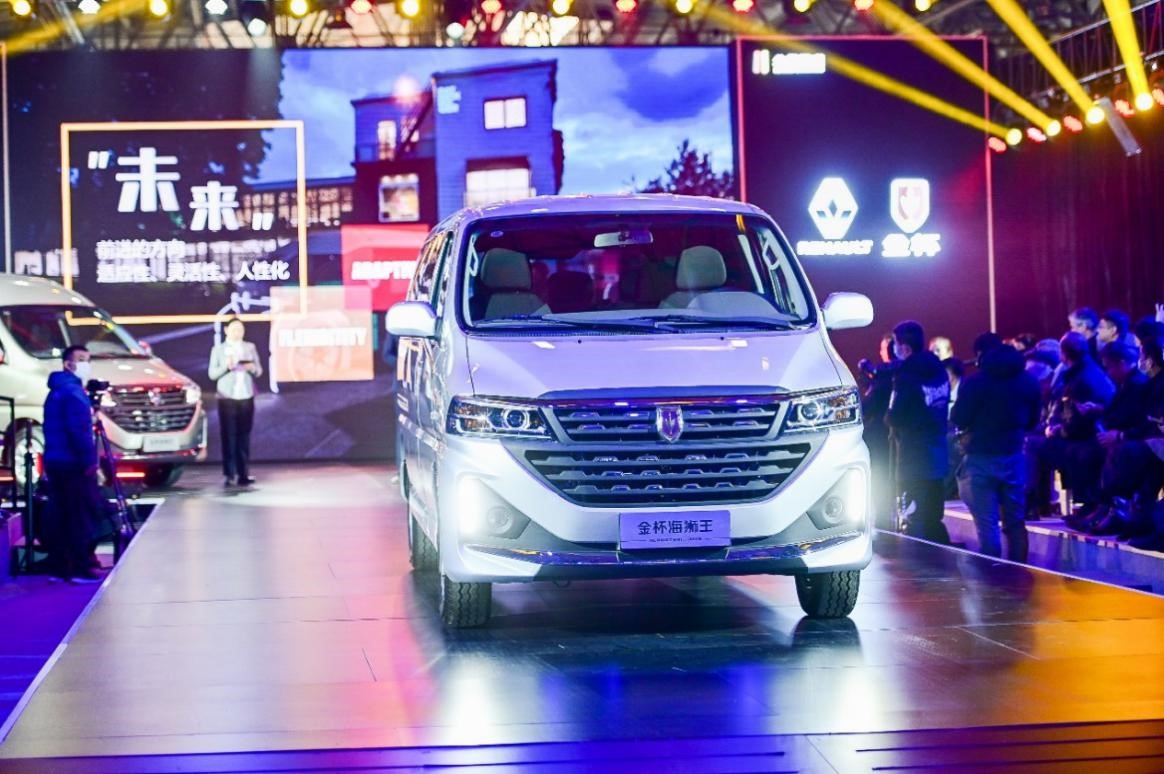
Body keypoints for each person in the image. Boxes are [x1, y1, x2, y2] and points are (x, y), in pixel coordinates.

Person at [952, 333, 1042, 561]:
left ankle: (991, 576)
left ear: (980, 355)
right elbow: (1034, 420)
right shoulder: (1028, 381)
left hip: (980, 457)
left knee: (987, 525)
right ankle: (1020, 572)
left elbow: (959, 418)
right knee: (1015, 522)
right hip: (1014, 455)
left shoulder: (975, 382)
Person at [42, 345, 103, 583]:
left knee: (61, 514)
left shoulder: (56, 390)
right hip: (73, 462)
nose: (86, 364)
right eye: (81, 359)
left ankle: (60, 566)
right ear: (69, 364)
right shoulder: (73, 393)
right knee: (79, 515)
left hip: (55, 460)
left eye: (88, 359)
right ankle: (80, 567)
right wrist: (90, 460)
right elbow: (79, 432)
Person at [887, 320, 951, 544]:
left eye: (895, 343)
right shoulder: (938, 369)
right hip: (938, 452)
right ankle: (942, 558)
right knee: (933, 516)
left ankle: (916, 561)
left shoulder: (906, 374)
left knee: (913, 516)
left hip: (912, 456)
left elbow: (895, 415)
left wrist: (889, 417)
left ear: (904, 347)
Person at [209, 318, 263, 486]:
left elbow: (259, 371)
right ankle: (229, 474)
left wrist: (252, 368)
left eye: (240, 329)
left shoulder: (249, 347)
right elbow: (212, 374)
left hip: (246, 397)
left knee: (244, 436)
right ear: (226, 330)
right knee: (229, 436)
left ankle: (243, 474)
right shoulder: (218, 349)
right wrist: (227, 366)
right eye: (234, 329)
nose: (237, 332)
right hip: (227, 398)